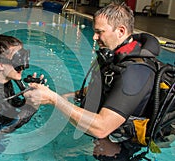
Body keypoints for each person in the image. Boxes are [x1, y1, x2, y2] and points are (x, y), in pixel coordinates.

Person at [24, 3, 161, 160]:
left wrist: (54, 99)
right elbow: (108, 87)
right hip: (109, 131)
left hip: (121, 143)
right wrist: (69, 95)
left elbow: (101, 128)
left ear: (121, 31)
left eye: (99, 32)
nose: (94, 37)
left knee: (57, 155)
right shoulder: (118, 56)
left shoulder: (135, 72)